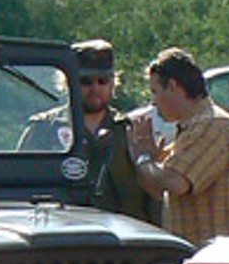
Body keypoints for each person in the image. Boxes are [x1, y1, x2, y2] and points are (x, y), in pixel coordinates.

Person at [20, 40, 156, 224]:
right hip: (59, 230)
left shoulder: (129, 130)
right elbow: (21, 184)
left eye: (103, 81)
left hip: (120, 235)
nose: (95, 89)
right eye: (85, 82)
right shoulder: (44, 129)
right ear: (68, 83)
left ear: (113, 84)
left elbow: (151, 192)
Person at [127, 47, 229, 245]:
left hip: (215, 257)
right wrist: (149, 160)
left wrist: (145, 159)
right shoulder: (191, 129)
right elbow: (158, 189)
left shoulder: (212, 125)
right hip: (197, 252)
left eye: (155, 91)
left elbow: (177, 183)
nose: (154, 102)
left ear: (173, 86)